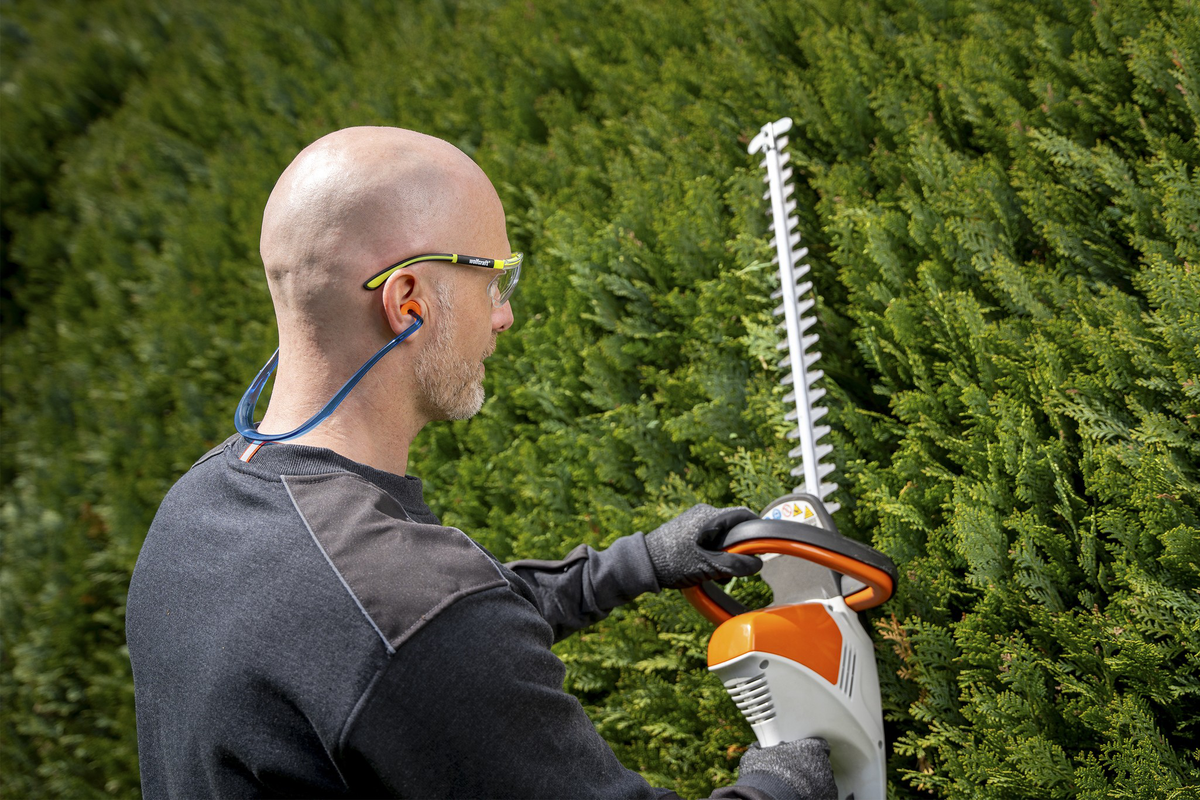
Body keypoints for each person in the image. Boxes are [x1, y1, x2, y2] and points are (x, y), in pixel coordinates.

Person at [126, 126, 838, 800]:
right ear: (408, 303)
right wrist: (789, 777)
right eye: (494, 279)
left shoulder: (195, 511)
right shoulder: (402, 610)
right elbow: (421, 641)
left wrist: (636, 564)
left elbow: (395, 647)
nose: (503, 314)